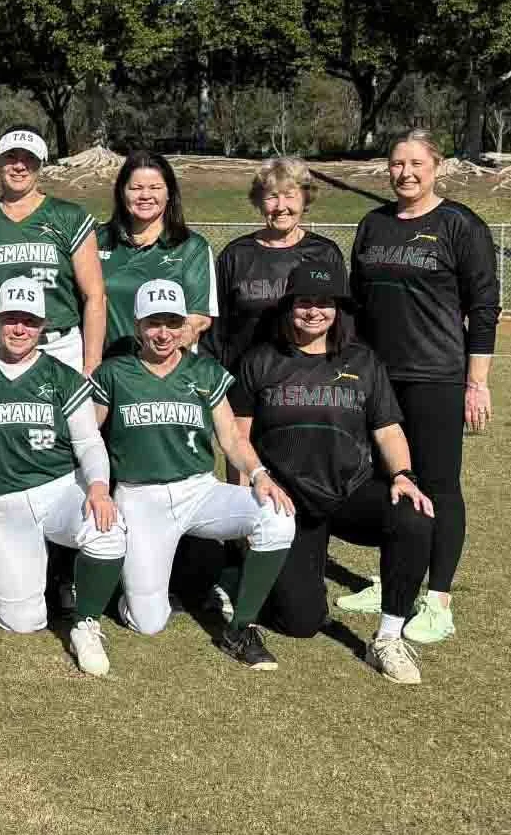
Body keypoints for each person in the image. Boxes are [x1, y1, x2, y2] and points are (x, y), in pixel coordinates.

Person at [230, 262, 433, 684]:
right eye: (304, 301)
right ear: (289, 306)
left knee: (412, 514)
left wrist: (404, 475)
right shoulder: (261, 360)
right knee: (301, 622)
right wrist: (243, 510)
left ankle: (388, 638)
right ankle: (246, 575)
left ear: (338, 309)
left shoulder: (362, 361)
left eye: (325, 303)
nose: (314, 311)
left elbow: (388, 429)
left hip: (350, 491)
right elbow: (239, 440)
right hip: (288, 501)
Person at [91, 279, 296, 670]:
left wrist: (259, 475)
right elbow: (89, 436)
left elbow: (232, 440)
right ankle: (129, 586)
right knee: (148, 622)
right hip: (139, 497)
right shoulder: (115, 372)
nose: (163, 333)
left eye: (172, 322)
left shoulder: (204, 370)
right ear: (137, 325)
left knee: (276, 515)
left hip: (198, 491)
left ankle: (241, 626)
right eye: (154, 323)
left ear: (186, 326)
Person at [345, 128, 497, 644]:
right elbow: (359, 306)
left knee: (439, 485)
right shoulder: (373, 225)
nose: (405, 172)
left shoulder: (460, 225)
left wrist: (476, 383)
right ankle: (395, 581)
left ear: (437, 166)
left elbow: (483, 308)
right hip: (379, 378)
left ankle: (439, 600)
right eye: (396, 163)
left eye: (416, 163)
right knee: (387, 478)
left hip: (437, 377)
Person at [0, 277, 125, 676]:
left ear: (43, 326)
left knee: (107, 530)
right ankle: (45, 581)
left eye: (29, 320)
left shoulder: (63, 377)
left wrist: (98, 488)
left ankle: (86, 622)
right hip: (0, 505)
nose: (19, 329)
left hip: (58, 491)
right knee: (22, 622)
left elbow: (89, 442)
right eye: (11, 318)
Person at [0, 126, 104, 373]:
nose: (19, 165)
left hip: (58, 349)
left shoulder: (69, 217)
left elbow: (95, 296)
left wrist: (91, 365)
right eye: (11, 156)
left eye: (29, 158)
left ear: (41, 165)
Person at [203, 156, 347, 374]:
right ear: (259, 202)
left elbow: (343, 325)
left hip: (307, 383)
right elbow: (214, 332)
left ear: (305, 199)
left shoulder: (325, 253)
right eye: (272, 197)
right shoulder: (236, 255)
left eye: (290, 196)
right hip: (242, 382)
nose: (281, 207)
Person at [97, 150, 217, 358]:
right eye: (136, 188)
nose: (145, 195)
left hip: (165, 372)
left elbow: (198, 319)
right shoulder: (96, 240)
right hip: (105, 369)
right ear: (121, 192)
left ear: (169, 193)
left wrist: (152, 364)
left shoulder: (192, 247)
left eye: (155, 187)